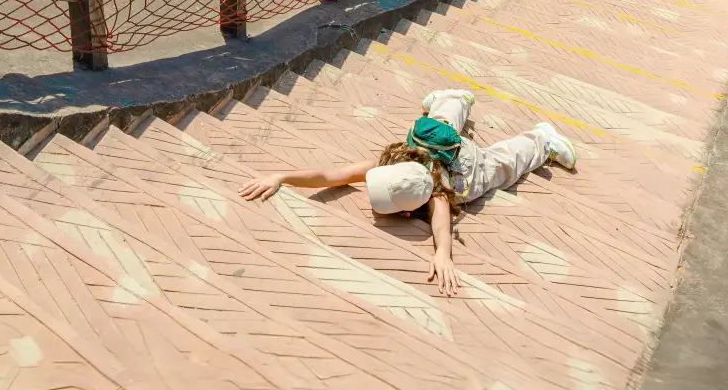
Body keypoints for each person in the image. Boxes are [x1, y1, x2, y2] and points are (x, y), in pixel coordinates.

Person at [239, 88, 577, 295]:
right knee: (441, 127)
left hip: (467, 169)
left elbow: (441, 228)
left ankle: (542, 140)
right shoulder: (396, 161)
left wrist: (443, 255)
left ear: (408, 210)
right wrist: (281, 176)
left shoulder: (439, 194)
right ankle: (455, 98)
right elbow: (331, 176)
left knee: (503, 163)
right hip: (434, 144)